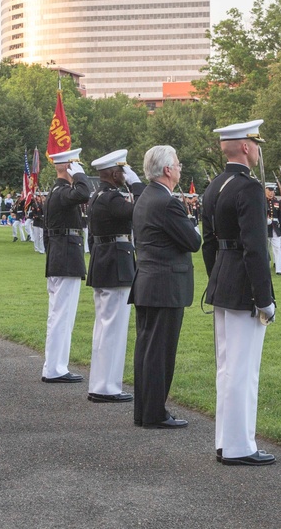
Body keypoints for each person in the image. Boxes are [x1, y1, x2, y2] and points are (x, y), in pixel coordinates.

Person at [201, 120, 276, 466]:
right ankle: (239, 447)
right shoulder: (248, 188)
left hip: (222, 281)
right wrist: (265, 299)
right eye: (256, 143)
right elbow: (255, 250)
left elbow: (208, 243)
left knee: (228, 367)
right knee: (243, 371)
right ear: (246, 147)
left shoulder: (215, 185)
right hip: (243, 286)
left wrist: (217, 277)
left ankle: (226, 442)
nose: (258, 149)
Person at [129, 145, 200, 428]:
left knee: (147, 349)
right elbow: (193, 241)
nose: (180, 168)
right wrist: (191, 224)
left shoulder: (146, 197)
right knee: (160, 352)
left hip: (147, 281)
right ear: (168, 170)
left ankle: (144, 411)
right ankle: (155, 413)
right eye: (178, 164)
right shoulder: (168, 202)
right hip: (165, 284)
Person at [85, 149, 145, 403]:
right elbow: (142, 210)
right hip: (115, 264)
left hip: (105, 261)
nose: (124, 174)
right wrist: (138, 184)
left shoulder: (98, 195)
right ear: (111, 173)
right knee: (113, 328)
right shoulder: (111, 198)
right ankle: (106, 387)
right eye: (121, 170)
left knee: (104, 327)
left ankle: (101, 383)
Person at [41, 147, 92, 383]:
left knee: (60, 315)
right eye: (76, 165)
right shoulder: (62, 191)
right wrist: (80, 176)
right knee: (62, 316)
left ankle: (55, 366)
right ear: (68, 167)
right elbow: (85, 193)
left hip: (60, 257)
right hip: (65, 258)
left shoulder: (56, 192)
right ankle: (55, 369)